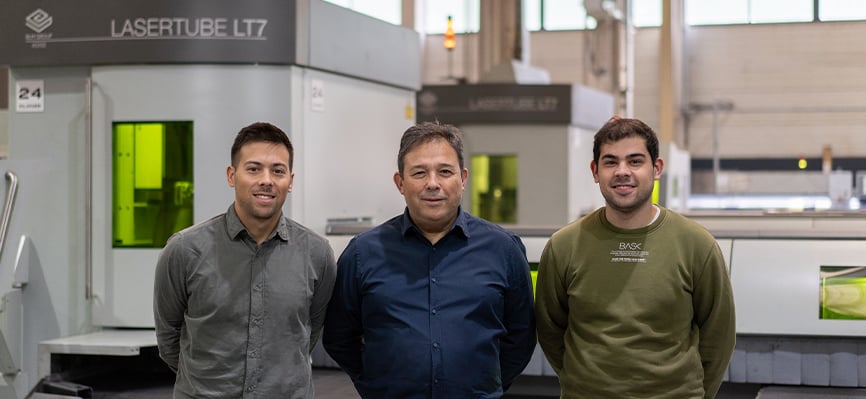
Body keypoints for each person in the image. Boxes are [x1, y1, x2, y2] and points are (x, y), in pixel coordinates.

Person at [322, 121, 537, 398]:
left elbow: (521, 338)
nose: (433, 184)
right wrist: (374, 384)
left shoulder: (503, 249)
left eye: (445, 171)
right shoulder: (363, 253)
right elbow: (339, 337)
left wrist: (485, 387)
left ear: (463, 178)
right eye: (419, 173)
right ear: (400, 182)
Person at [534, 116, 736, 399]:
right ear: (595, 170)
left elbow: (719, 337)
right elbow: (550, 330)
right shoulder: (564, 246)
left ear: (657, 168)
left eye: (635, 161)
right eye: (610, 162)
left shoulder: (697, 245)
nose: (622, 171)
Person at [153, 122, 337, 398]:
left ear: (290, 181)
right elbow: (168, 337)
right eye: (253, 169)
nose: (266, 180)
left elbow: (311, 330)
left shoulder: (317, 253)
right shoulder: (185, 250)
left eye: (278, 171)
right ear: (231, 175)